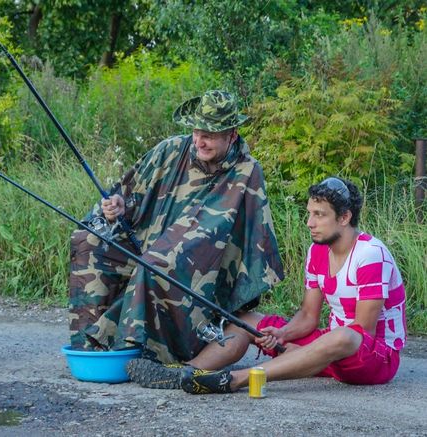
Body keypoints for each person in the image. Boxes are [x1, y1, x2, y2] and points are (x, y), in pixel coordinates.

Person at [69, 90, 284, 371]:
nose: (199, 140)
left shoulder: (247, 171)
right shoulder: (170, 150)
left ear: (231, 134)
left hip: (199, 261)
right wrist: (118, 207)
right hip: (144, 241)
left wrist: (169, 247)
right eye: (196, 131)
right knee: (87, 240)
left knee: (157, 262)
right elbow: (127, 196)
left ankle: (136, 352)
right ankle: (90, 346)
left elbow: (242, 235)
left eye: (209, 134)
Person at [175, 177, 406, 394]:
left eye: (319, 215)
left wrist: (307, 351)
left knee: (343, 336)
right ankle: (187, 373)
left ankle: (237, 379)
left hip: (374, 357)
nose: (310, 223)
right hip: (329, 348)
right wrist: (283, 334)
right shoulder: (317, 250)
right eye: (309, 213)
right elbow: (308, 315)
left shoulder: (370, 254)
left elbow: (363, 330)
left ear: (344, 218)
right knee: (247, 321)